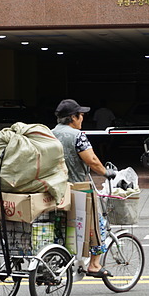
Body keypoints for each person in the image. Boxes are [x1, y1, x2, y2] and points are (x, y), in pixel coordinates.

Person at [52, 98, 116, 278]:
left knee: (61, 226)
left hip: (54, 189)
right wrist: (106, 173)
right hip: (78, 189)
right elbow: (92, 160)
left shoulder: (50, 133)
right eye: (80, 115)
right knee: (97, 225)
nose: (82, 119)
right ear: (73, 117)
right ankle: (94, 265)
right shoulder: (77, 136)